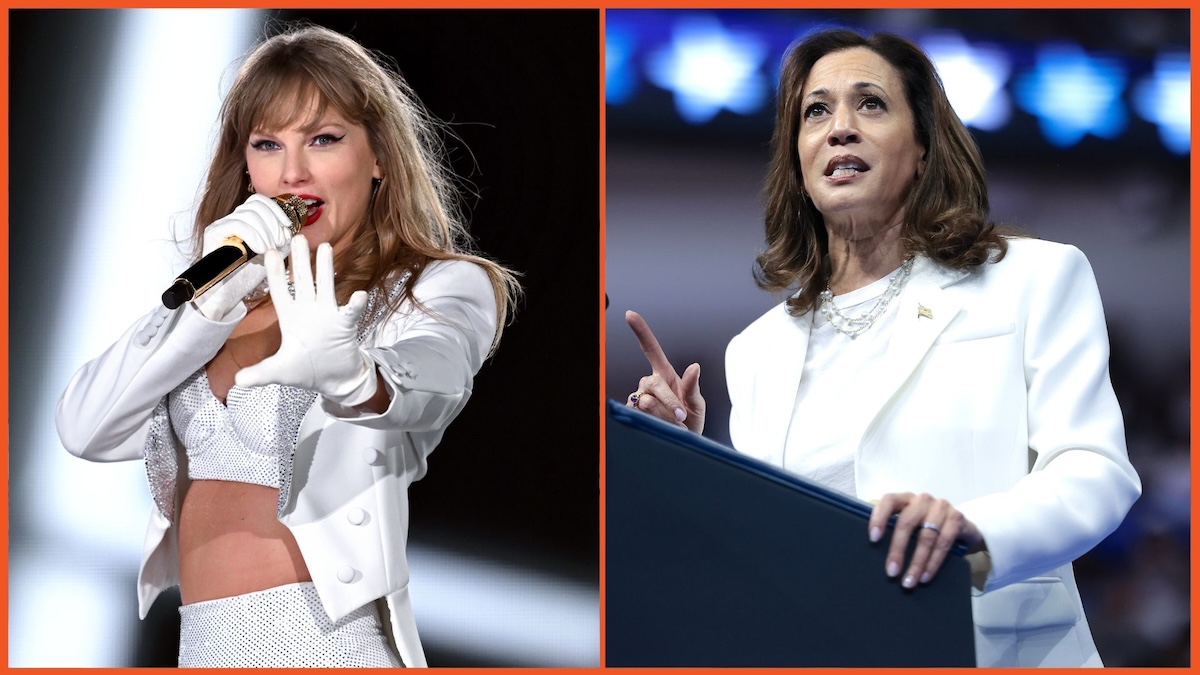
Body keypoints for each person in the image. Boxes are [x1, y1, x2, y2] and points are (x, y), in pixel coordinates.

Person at [624, 29, 1140, 667]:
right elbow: (768, 551)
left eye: (870, 104)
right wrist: (685, 462)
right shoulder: (756, 351)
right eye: (817, 111)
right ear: (800, 160)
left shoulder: (1035, 279)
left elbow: (1096, 474)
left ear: (923, 148)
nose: (840, 128)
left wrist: (972, 532)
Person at [56, 25, 519, 668]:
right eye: (268, 144)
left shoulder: (432, 287)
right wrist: (208, 308)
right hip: (203, 647)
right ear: (246, 165)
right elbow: (85, 428)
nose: (292, 171)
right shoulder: (224, 295)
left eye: (323, 139)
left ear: (377, 154)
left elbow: (432, 379)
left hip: (324, 644)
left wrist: (358, 377)